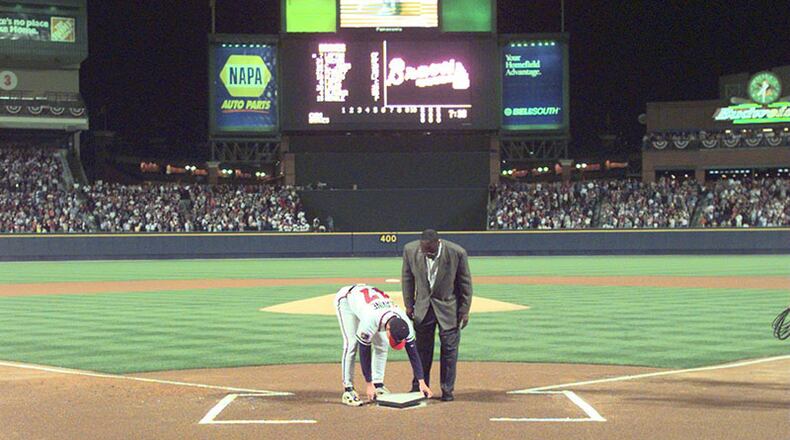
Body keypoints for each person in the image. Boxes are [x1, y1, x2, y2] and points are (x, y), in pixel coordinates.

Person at [402, 229, 472, 401]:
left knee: (449, 350)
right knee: (422, 350)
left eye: (429, 250)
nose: (426, 253)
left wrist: (464, 310)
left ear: (438, 243)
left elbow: (465, 282)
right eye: (423, 249)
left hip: (448, 308)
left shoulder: (457, 252)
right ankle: (419, 386)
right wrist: (408, 304)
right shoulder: (410, 250)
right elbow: (407, 278)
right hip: (423, 308)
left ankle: (447, 390)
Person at [334, 284, 433, 406]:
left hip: (373, 307)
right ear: (388, 328)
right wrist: (368, 384)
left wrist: (422, 382)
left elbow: (413, 354)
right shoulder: (370, 321)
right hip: (347, 300)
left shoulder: (405, 323)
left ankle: (379, 385)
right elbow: (364, 353)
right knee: (351, 344)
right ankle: (348, 389)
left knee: (381, 345)